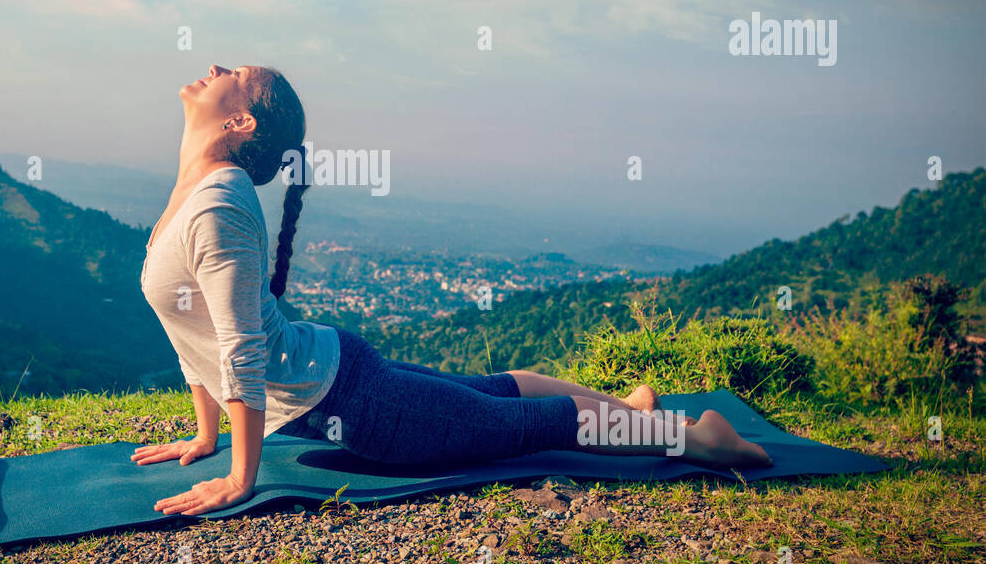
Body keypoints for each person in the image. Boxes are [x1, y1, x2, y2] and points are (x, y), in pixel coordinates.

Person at [134, 64, 771, 516]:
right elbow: (199, 333)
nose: (213, 66)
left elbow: (241, 345)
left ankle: (695, 438)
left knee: (526, 423)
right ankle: (630, 410)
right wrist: (207, 436)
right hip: (334, 375)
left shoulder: (221, 203)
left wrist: (240, 477)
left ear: (241, 119)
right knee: (500, 391)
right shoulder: (196, 195)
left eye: (233, 73)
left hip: (354, 408)